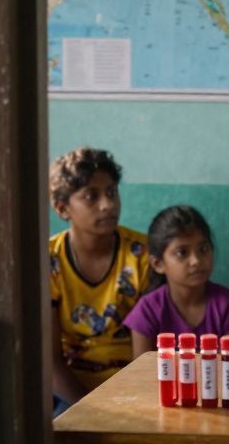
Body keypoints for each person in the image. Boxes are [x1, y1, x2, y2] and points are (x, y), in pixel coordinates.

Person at [49, 147, 152, 410]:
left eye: (112, 193)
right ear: (63, 209)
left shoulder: (142, 255)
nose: (107, 205)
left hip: (134, 387)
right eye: (90, 197)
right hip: (72, 389)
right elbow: (50, 360)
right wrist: (88, 412)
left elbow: (146, 358)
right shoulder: (49, 261)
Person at [124, 205, 229, 358]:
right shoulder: (147, 311)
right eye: (182, 253)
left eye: (203, 249)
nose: (195, 261)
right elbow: (143, 375)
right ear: (158, 264)